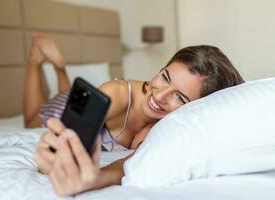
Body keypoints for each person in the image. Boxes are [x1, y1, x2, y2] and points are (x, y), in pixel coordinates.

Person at [27, 33, 244, 196]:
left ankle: (61, 72)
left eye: (180, 97)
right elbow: (63, 143)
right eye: (165, 77)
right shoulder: (117, 95)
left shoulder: (174, 127)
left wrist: (99, 178)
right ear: (160, 69)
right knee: (33, 121)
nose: (160, 97)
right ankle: (42, 63)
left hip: (89, 104)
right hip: (75, 108)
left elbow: (135, 162)